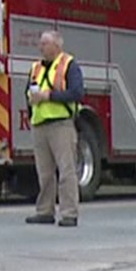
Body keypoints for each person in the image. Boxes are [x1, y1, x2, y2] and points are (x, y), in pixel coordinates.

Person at [25, 28, 84, 227]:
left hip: (61, 124)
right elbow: (29, 93)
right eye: (41, 43)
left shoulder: (69, 65)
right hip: (40, 124)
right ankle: (45, 211)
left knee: (66, 170)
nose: (40, 47)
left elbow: (76, 93)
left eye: (45, 43)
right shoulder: (36, 68)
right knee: (44, 172)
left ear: (57, 45)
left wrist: (48, 96)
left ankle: (69, 213)